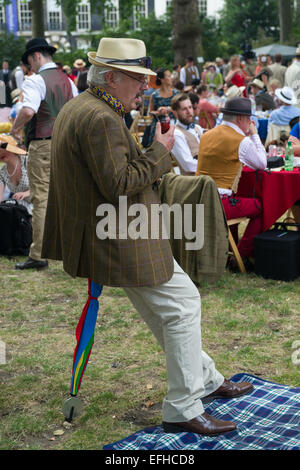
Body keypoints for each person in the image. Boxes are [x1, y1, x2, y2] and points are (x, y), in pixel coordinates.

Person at [41, 37, 253, 436]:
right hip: (119, 234)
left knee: (170, 310)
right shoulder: (101, 117)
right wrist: (160, 150)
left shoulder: (83, 107)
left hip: (116, 231)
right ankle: (184, 406)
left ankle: (204, 381)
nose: (144, 86)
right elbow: (118, 183)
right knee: (182, 305)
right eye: (137, 79)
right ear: (112, 77)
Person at [11, 38, 78, 270]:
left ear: (36, 56)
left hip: (43, 145)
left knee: (41, 199)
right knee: (65, 198)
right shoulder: (70, 82)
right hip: (67, 146)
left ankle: (38, 254)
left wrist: (14, 129)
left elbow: (28, 110)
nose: (29, 68)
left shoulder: (35, 80)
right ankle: (72, 250)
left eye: (29, 63)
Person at [196, 97, 267, 267]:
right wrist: (255, 135)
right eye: (249, 119)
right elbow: (262, 164)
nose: (250, 123)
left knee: (236, 197)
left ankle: (229, 252)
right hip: (219, 204)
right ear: (240, 119)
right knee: (262, 207)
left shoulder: (207, 135)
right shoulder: (241, 141)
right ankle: (240, 255)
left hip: (198, 197)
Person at [170, 93, 204, 174]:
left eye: (190, 107)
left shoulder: (197, 128)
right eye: (184, 109)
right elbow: (188, 165)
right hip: (193, 181)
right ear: (175, 113)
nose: (189, 112)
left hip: (207, 175)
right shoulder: (176, 134)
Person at [0, 134, 32, 215]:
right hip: (23, 209)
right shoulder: (2, 171)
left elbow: (45, 185)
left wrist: (26, 193)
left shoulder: (27, 161)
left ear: (12, 149)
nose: (0, 153)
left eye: (3, 148)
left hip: (41, 202)